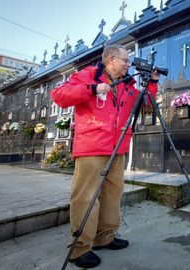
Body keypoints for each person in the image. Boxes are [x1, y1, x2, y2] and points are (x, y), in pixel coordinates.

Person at [51, 44, 159, 268]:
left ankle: (105, 237)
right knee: (86, 197)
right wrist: (92, 88)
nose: (129, 65)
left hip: (117, 147)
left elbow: (146, 103)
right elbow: (59, 95)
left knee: (113, 195)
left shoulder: (127, 85)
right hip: (92, 147)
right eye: (125, 60)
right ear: (110, 59)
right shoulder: (88, 75)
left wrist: (153, 83)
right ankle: (79, 249)